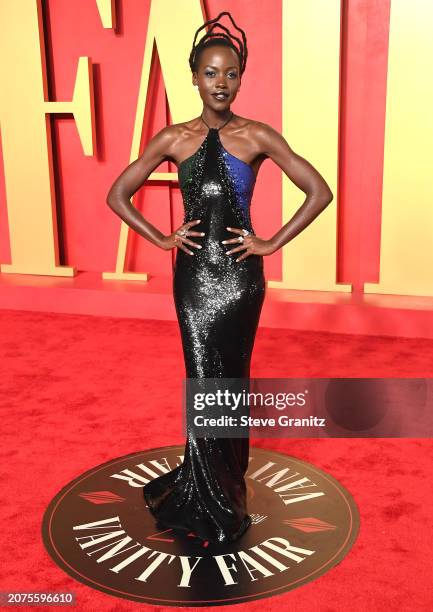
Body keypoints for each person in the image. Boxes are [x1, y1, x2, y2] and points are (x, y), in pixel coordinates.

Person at [106, 11, 333, 545]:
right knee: (203, 379)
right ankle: (207, 490)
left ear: (239, 78)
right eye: (211, 73)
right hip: (192, 281)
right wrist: (161, 238)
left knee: (230, 380)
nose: (221, 84)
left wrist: (270, 242)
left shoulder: (256, 135)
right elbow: (117, 195)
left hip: (240, 282)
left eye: (230, 74)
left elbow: (318, 190)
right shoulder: (174, 137)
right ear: (194, 77)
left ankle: (224, 491)